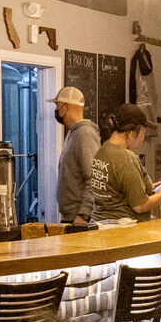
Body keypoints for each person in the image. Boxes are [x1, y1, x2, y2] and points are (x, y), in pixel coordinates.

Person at [88, 104, 161, 223]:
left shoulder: (103, 150)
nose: (143, 139)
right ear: (131, 133)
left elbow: (114, 188)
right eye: (143, 132)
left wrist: (142, 187)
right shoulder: (126, 158)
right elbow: (140, 206)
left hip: (100, 225)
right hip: (120, 228)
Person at [53, 86, 98, 224]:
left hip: (78, 219)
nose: (56, 111)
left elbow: (94, 177)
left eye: (57, 106)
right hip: (70, 217)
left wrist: (83, 215)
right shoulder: (73, 133)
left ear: (65, 107)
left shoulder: (85, 133)